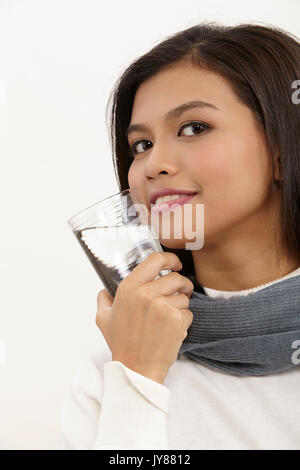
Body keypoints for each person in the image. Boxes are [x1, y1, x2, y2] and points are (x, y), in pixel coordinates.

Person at [61, 22, 300, 450]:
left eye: (193, 128)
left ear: (283, 150)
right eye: (140, 145)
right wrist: (136, 377)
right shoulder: (109, 376)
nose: (153, 165)